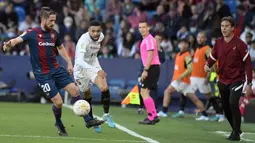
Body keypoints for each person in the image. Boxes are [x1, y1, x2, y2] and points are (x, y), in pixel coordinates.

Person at [2, 7, 104, 136]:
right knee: (59, 102)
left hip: (56, 69)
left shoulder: (54, 34)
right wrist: (8, 44)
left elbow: (60, 48)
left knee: (75, 90)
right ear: (43, 20)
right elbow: (17, 40)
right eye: (51, 20)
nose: (53, 23)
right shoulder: (32, 33)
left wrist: (68, 62)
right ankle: (58, 122)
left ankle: (88, 120)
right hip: (42, 74)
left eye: (54, 20)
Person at [205, 16, 253, 141]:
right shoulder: (218, 43)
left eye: (226, 26)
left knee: (233, 102)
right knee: (225, 107)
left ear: (232, 28)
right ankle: (236, 129)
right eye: (222, 26)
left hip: (237, 79)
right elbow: (212, 58)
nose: (224, 28)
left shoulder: (241, 44)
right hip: (222, 79)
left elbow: (248, 64)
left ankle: (236, 133)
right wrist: (207, 65)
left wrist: (249, 83)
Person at [74, 20, 116, 133]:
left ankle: (106, 114)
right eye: (93, 31)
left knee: (104, 88)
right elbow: (80, 61)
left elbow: (93, 54)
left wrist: (97, 69)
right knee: (87, 94)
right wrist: (96, 70)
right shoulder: (84, 41)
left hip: (93, 64)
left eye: (98, 31)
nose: (96, 34)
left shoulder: (101, 37)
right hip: (81, 70)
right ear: (88, 30)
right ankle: (92, 120)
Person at [157, 39, 208, 120]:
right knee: (194, 98)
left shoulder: (187, 55)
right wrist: (173, 79)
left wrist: (181, 76)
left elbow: (190, 68)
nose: (183, 45)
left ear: (187, 46)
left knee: (167, 91)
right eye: (182, 43)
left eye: (185, 43)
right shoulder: (178, 55)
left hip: (182, 81)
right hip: (182, 81)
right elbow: (176, 69)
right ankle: (205, 115)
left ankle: (164, 111)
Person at [137, 21, 160, 125]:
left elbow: (150, 55)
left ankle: (152, 116)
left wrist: (145, 70)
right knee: (144, 92)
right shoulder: (146, 39)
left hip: (152, 67)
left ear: (148, 28)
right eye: (140, 27)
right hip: (151, 67)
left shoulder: (149, 39)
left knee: (144, 92)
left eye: (144, 27)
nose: (142, 29)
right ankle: (153, 116)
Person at [137, 33, 166, 114]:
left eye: (159, 40)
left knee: (153, 91)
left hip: (153, 72)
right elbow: (143, 59)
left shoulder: (160, 49)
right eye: (156, 39)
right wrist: (140, 72)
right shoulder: (148, 45)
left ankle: (154, 109)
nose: (157, 41)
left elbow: (162, 60)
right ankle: (141, 107)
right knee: (142, 90)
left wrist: (159, 49)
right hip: (144, 71)